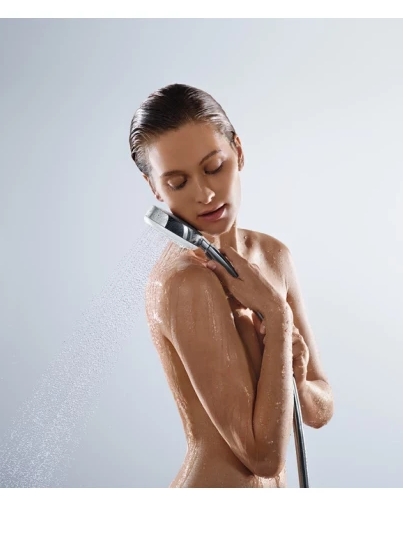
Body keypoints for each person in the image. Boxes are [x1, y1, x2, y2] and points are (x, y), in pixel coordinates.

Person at [129, 83, 334, 487]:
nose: (205, 194)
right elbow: (262, 457)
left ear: (238, 151)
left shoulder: (273, 256)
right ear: (155, 188)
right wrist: (277, 317)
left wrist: (295, 373)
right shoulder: (186, 283)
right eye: (177, 182)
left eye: (213, 168)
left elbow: (318, 409)